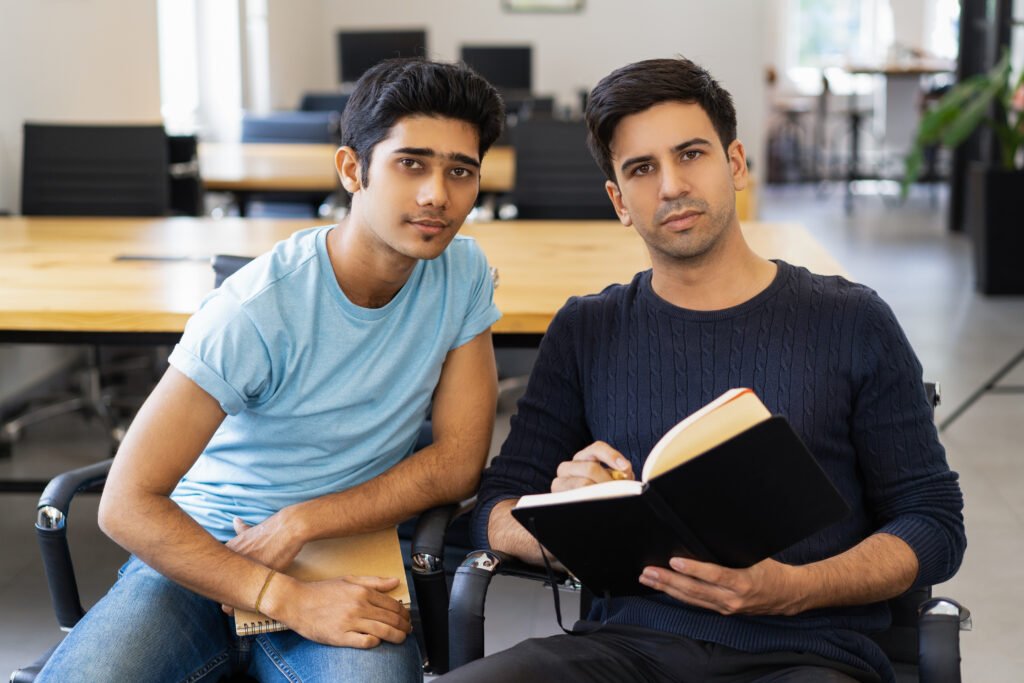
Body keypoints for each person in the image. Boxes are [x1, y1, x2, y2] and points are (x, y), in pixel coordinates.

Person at [439, 57, 965, 683]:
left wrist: (793, 589)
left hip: (806, 656)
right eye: (641, 169)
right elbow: (492, 512)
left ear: (735, 164)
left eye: (691, 155)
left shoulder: (853, 320)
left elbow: (932, 520)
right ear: (619, 201)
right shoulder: (586, 328)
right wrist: (560, 522)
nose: (670, 186)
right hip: (624, 650)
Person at [38, 57, 505, 683]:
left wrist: (302, 521)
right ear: (352, 169)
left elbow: (456, 462)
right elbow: (125, 504)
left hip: (344, 554)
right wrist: (282, 595)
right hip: (207, 551)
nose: (436, 195)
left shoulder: (463, 275)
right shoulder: (257, 308)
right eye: (410, 164)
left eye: (460, 171)